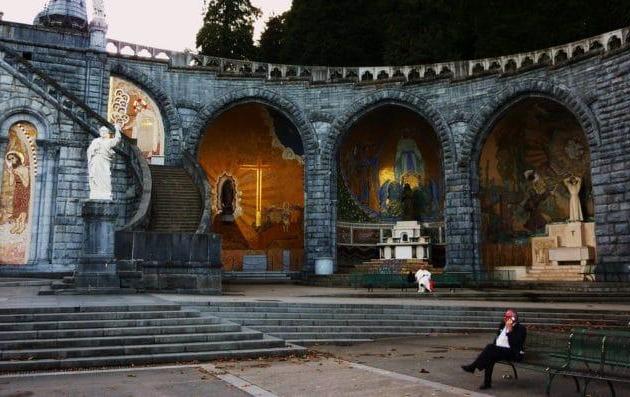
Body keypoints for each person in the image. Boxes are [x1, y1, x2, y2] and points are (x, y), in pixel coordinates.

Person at [461, 309, 526, 390]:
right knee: (490, 355)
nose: (506, 319)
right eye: (505, 317)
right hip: (499, 350)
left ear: (514, 318)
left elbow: (516, 343)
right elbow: (498, 339)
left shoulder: (520, 328)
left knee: (490, 349)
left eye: (509, 317)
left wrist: (510, 331)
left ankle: (473, 367)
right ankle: (486, 383)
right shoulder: (502, 325)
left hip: (512, 352)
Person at [87, 125, 122, 200]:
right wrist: (93, 149)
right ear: (99, 132)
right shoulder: (95, 141)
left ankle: (106, 191)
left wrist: (117, 130)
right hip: (96, 160)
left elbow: (117, 139)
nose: (103, 132)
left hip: (104, 160)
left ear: (107, 133)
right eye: (101, 131)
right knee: (95, 176)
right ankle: (96, 191)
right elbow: (89, 151)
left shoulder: (109, 141)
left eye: (104, 131)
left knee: (106, 176)